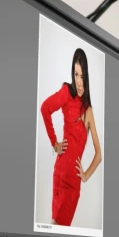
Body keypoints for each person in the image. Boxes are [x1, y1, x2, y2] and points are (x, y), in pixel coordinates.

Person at [40, 48, 102, 226]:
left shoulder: (88, 111)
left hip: (73, 183)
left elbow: (99, 155)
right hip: (60, 174)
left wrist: (85, 175)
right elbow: (45, 108)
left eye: (82, 76)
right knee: (54, 228)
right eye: (76, 74)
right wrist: (55, 144)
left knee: (59, 231)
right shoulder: (67, 92)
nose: (79, 82)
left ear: (87, 77)